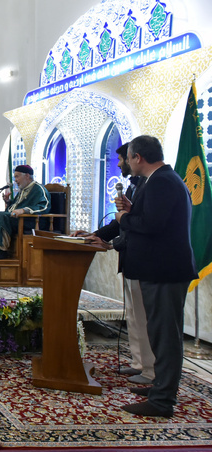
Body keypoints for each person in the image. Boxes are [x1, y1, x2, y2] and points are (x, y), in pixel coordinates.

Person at [114, 135, 197, 418]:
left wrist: (124, 219)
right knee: (159, 334)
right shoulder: (160, 180)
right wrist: (132, 209)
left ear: (138, 158)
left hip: (165, 271)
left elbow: (151, 225)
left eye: (130, 157)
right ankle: (160, 387)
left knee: (166, 337)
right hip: (160, 269)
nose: (128, 162)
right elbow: (153, 218)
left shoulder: (162, 181)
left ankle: (162, 401)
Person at [74, 143, 154, 385]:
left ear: (135, 158)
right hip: (131, 260)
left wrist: (113, 244)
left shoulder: (152, 185)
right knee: (133, 315)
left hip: (146, 262)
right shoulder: (134, 186)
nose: (119, 164)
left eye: (122, 159)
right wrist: (93, 234)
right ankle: (139, 363)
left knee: (144, 316)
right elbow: (120, 223)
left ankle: (151, 370)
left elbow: (140, 225)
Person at [0, 164, 51, 259]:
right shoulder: (23, 190)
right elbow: (16, 206)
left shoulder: (39, 189)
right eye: (15, 177)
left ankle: (2, 250)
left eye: (17, 176)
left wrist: (23, 210)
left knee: (3, 217)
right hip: (18, 219)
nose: (15, 180)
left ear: (27, 176)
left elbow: (44, 207)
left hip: (31, 221)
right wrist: (8, 201)